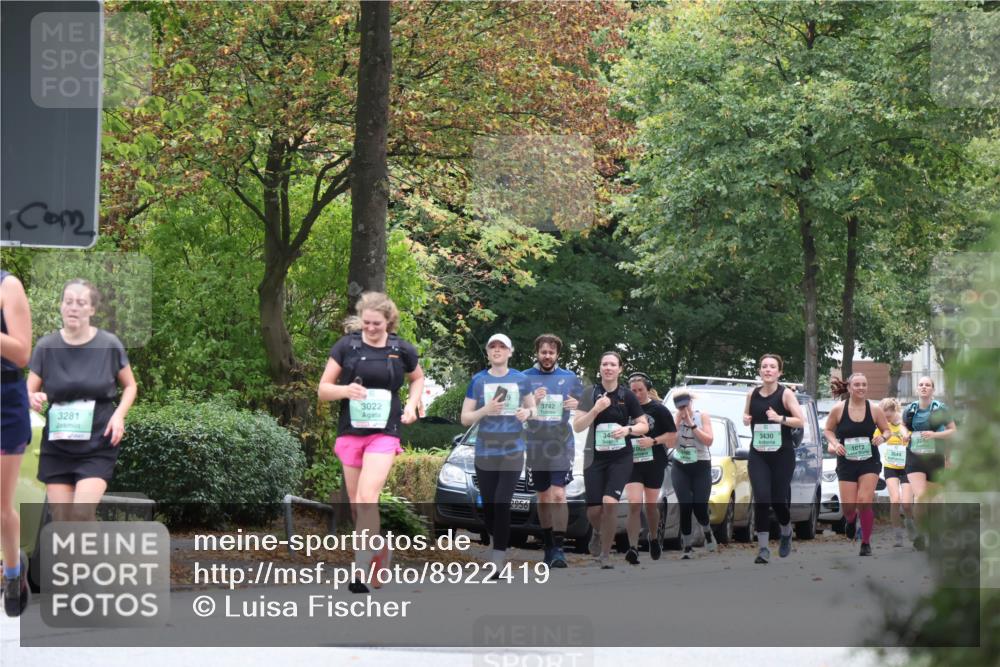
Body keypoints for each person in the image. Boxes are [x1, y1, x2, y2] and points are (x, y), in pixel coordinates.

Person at [318, 292, 424, 594]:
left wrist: (411, 405)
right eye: (366, 323)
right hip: (351, 431)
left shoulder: (401, 348)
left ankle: (359, 571)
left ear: (388, 321)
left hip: (384, 432)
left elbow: (417, 378)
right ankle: (378, 550)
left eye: (376, 324)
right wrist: (345, 391)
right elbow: (323, 389)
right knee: (356, 506)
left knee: (367, 497)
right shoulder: (346, 346)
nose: (370, 329)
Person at [27, 280, 137, 523]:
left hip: (97, 443)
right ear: (61, 306)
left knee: (82, 513)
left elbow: (130, 385)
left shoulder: (109, 345)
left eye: (81, 303)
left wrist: (119, 415)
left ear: (92, 310)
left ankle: (92, 560)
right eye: (68, 302)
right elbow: (29, 389)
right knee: (62, 519)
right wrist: (32, 397)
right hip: (58, 445)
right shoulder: (46, 347)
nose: (73, 307)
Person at [461, 333, 535, 576]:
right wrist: (486, 409)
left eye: (502, 346)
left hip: (513, 449)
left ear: (510, 352)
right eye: (492, 346)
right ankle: (497, 543)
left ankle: (498, 559)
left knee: (502, 501)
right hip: (485, 450)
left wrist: (528, 413)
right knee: (491, 506)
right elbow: (465, 418)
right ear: (488, 352)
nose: (497, 350)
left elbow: (533, 407)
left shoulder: (521, 379)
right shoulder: (478, 380)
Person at [573, 352, 648, 569]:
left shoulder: (627, 395)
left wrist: (628, 429)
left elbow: (644, 425)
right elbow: (578, 426)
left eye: (613, 364)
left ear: (619, 369)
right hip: (594, 458)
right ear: (600, 368)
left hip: (620, 458)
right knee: (594, 511)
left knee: (609, 503)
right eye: (604, 363)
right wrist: (596, 410)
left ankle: (605, 554)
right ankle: (598, 531)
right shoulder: (589, 394)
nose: (608, 368)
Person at [523, 334, 583, 568]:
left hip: (561, 442)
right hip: (537, 442)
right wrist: (533, 404)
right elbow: (516, 411)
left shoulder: (570, 378)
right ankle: (547, 544)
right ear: (537, 352)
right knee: (544, 497)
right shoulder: (525, 378)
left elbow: (584, 408)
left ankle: (559, 548)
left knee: (559, 494)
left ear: (558, 354)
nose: (547, 356)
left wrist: (578, 405)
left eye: (551, 352)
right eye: (543, 352)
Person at [742, 354, 805, 564]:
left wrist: (780, 418)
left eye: (772, 367)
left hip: (782, 455)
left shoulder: (785, 394)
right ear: (760, 371)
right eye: (764, 367)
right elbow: (746, 417)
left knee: (778, 500)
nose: (768, 370)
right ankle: (763, 549)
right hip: (758, 454)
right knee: (761, 498)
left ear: (779, 372)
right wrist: (745, 419)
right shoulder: (752, 394)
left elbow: (800, 421)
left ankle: (786, 531)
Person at [824, 373, 892, 556]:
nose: (861, 388)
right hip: (846, 461)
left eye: (864, 384)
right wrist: (836, 444)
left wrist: (882, 437)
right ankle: (851, 520)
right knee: (848, 506)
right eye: (857, 385)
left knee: (864, 500)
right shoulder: (839, 409)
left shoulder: (874, 409)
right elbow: (828, 430)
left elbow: (887, 430)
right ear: (849, 388)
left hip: (869, 460)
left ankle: (866, 542)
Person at [1, 269, 32, 617]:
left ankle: (13, 572)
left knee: (0, 507)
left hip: (4, 403)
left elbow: (22, 352)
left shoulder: (7, 285)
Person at [625, 373, 677, 563]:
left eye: (640, 390)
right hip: (632, 462)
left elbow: (673, 436)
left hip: (654, 461)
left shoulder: (659, 409)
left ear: (648, 390)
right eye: (634, 391)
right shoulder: (626, 409)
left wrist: (654, 441)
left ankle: (653, 537)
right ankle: (632, 547)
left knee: (651, 506)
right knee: (634, 504)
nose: (637, 394)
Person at [902, 376, 956, 550]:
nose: (924, 387)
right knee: (920, 497)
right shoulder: (910, 409)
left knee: (937, 500)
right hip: (915, 456)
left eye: (927, 385)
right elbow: (903, 425)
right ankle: (921, 532)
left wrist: (934, 435)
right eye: (921, 385)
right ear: (917, 389)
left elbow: (953, 431)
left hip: (935, 457)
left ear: (933, 389)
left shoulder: (940, 409)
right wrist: (905, 433)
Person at [667, 390, 715, 559]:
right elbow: (670, 443)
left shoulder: (702, 416)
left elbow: (709, 440)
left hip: (701, 465)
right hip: (680, 465)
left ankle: (707, 531)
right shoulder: (675, 418)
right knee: (685, 505)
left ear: (690, 403)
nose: (684, 409)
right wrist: (677, 424)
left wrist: (691, 424)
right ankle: (687, 546)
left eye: (686, 406)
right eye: (680, 407)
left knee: (700, 506)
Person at [877, 398, 912, 547]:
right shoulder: (882, 426)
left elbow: (912, 439)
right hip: (890, 466)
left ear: (895, 411)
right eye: (883, 418)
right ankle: (897, 535)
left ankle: (911, 525)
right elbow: (876, 438)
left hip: (906, 466)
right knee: (895, 500)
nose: (886, 420)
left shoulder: (904, 425)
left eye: (889, 417)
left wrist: (906, 438)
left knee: (907, 503)